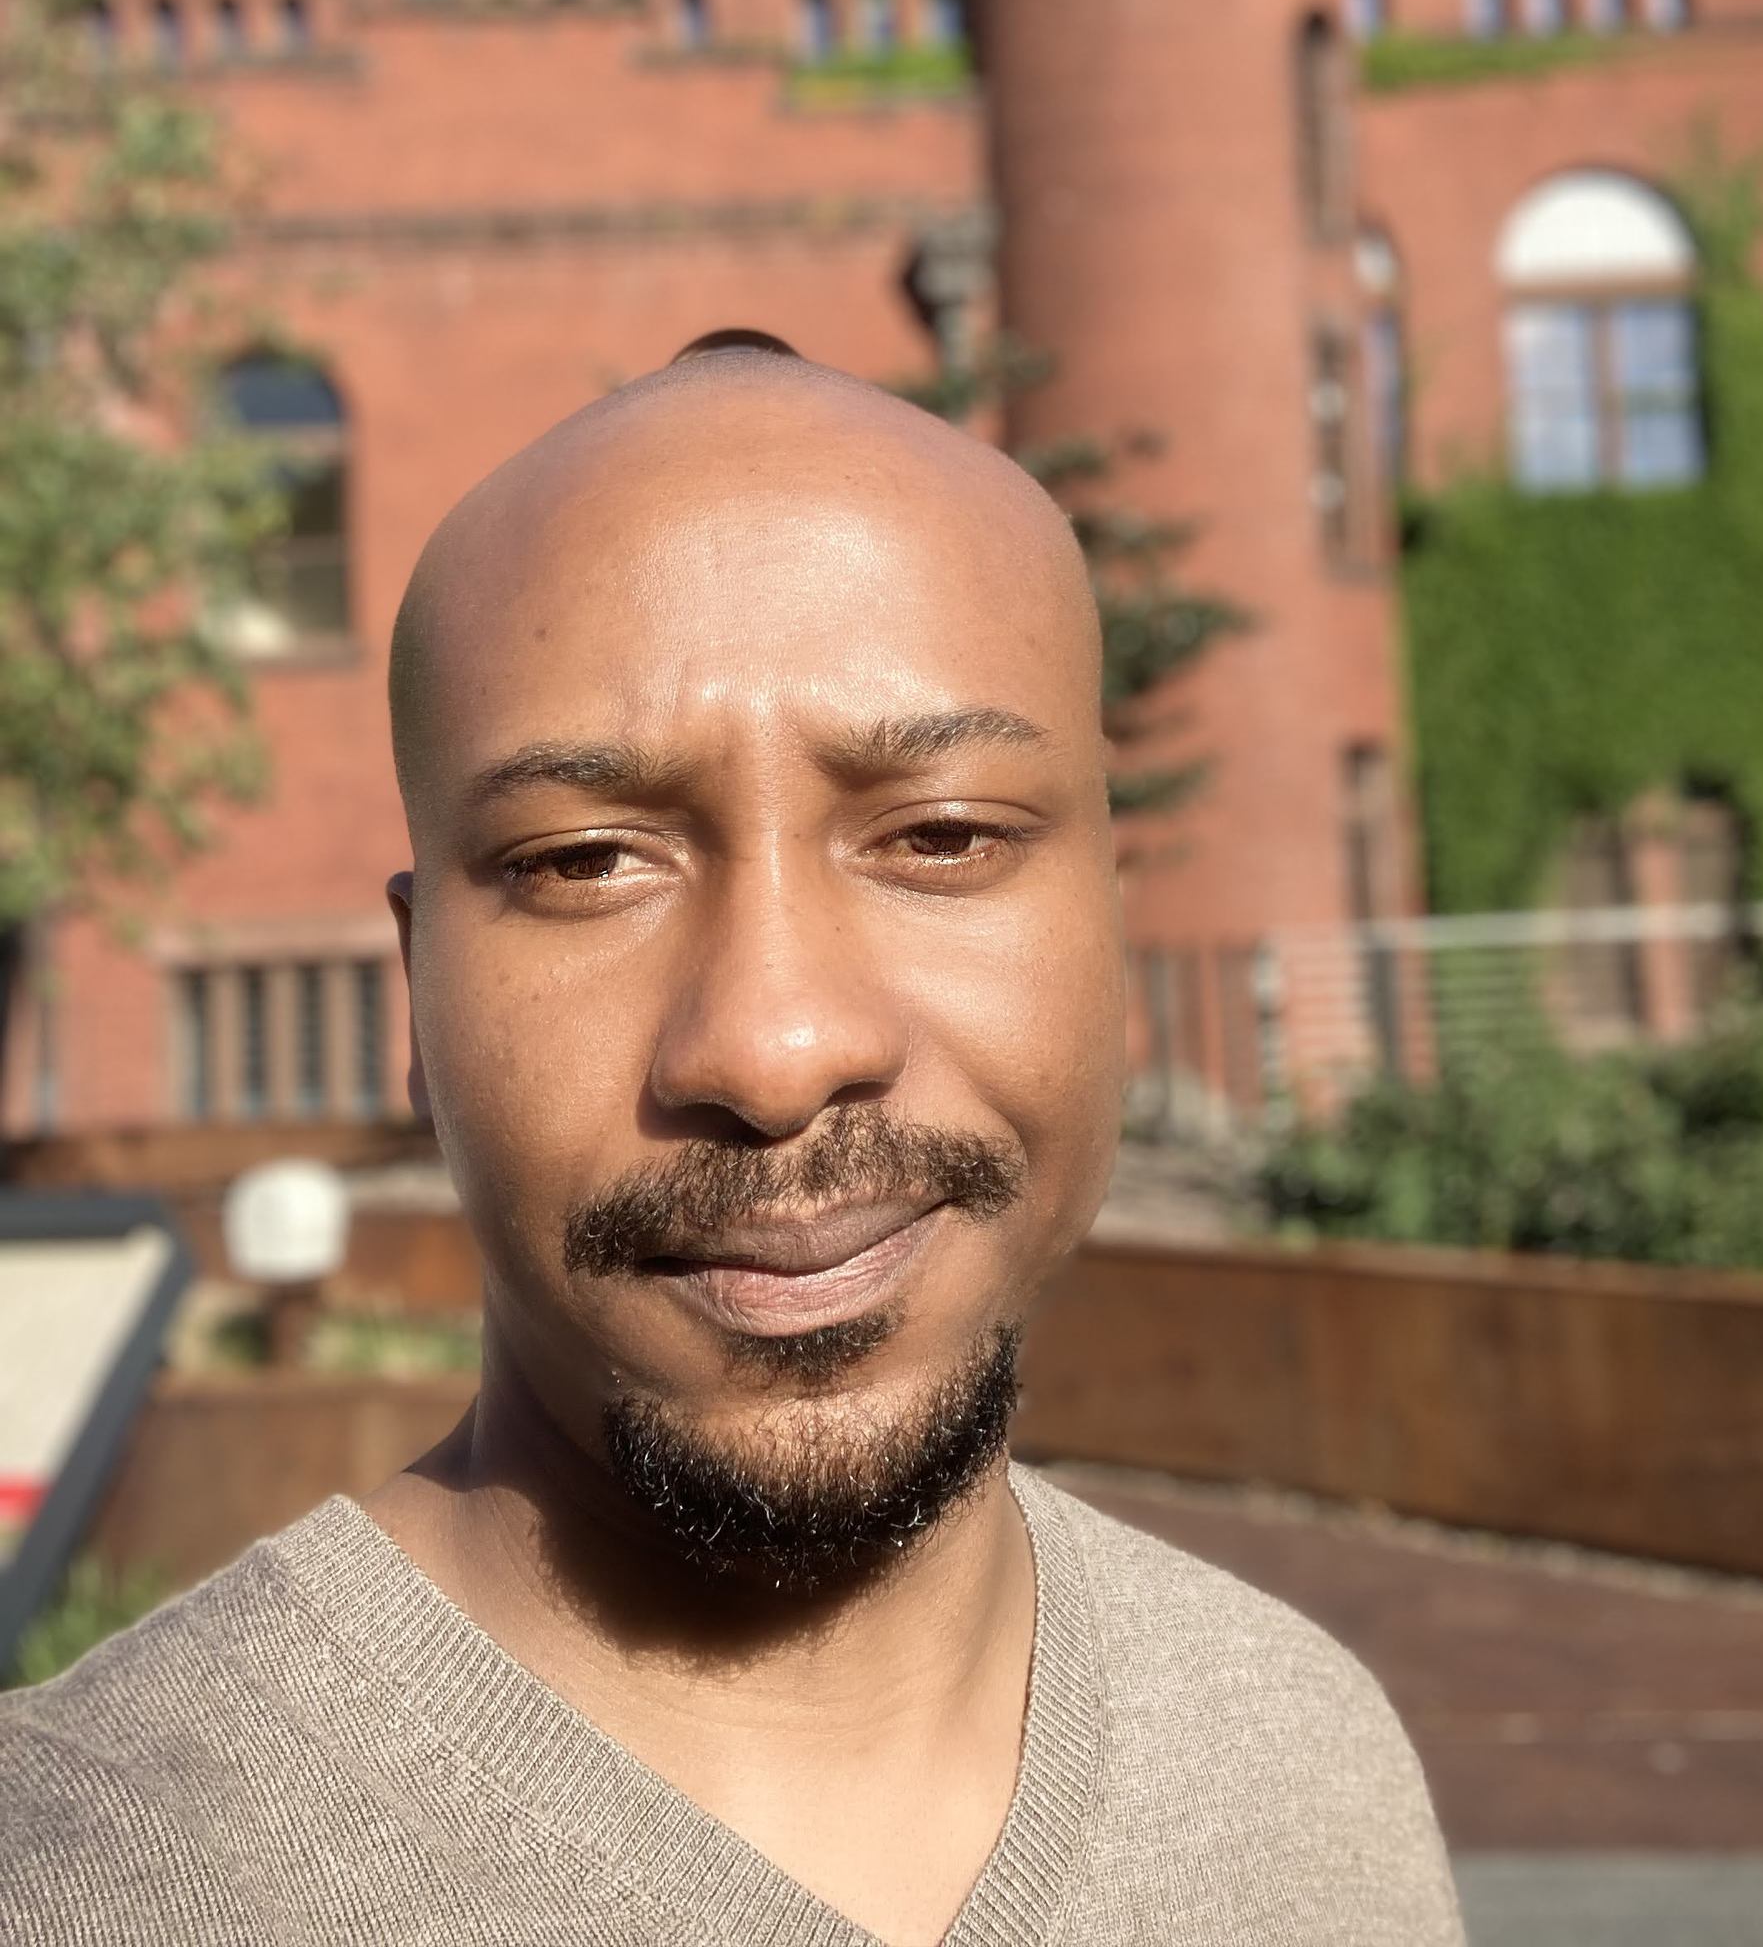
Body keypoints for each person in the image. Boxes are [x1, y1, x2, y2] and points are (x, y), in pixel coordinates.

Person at [1, 340, 1462, 1945]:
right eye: (584, 864)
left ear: (1109, 931)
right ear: (415, 997)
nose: (774, 1051)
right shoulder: (92, 1882)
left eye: (943, 837)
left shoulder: (1310, 1770)